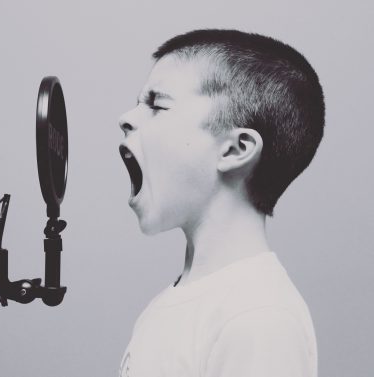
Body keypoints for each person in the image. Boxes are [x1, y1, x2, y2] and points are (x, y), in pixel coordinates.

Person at [118, 29, 324, 377]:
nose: (126, 118)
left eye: (157, 105)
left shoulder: (259, 318)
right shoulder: (172, 304)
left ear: (235, 149)